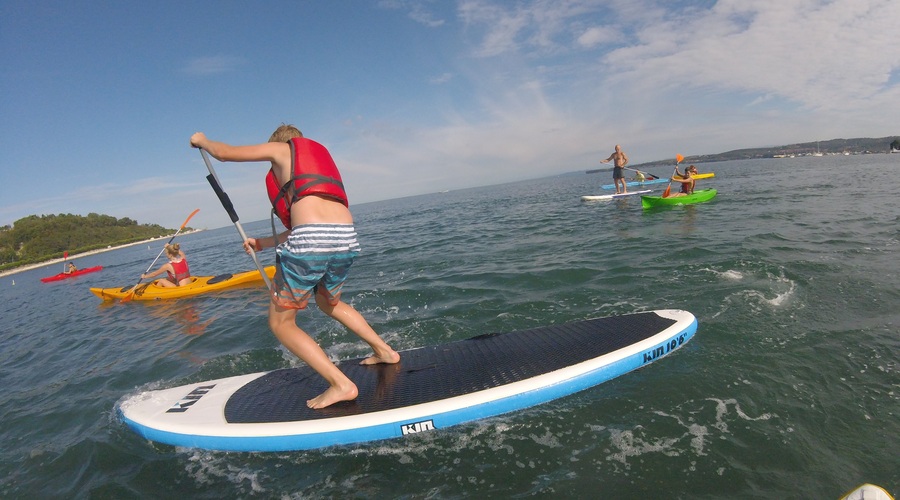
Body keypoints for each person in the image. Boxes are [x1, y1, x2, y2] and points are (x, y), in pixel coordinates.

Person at [190, 125, 400, 409]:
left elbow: (225, 154)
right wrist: (263, 243)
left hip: (312, 238)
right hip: (346, 236)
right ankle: (384, 350)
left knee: (281, 323)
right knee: (329, 302)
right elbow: (314, 224)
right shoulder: (318, 164)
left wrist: (202, 141)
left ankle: (341, 385)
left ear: (281, 143)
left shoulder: (281, 149)